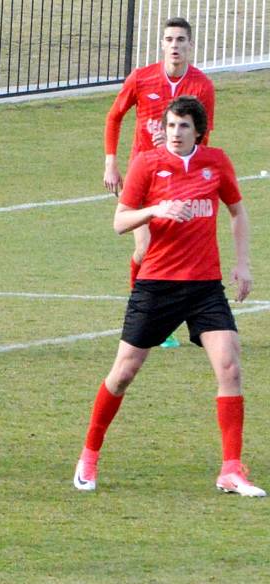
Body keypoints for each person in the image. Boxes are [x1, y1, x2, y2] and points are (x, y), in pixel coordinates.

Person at [74, 96, 264, 497]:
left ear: (199, 131)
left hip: (205, 286)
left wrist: (243, 264)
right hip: (157, 284)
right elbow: (119, 221)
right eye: (171, 125)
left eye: (183, 127)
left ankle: (231, 469)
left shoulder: (216, 163)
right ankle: (89, 456)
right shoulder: (147, 164)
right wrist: (155, 210)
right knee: (124, 372)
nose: (175, 133)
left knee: (230, 367)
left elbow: (238, 211)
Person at [104, 16, 215, 349]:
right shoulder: (142, 78)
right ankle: (146, 318)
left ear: (190, 45)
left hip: (181, 183)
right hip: (143, 178)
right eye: (170, 39)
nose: (175, 46)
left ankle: (198, 318)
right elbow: (114, 116)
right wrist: (111, 162)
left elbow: (205, 137)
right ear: (162, 44)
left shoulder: (202, 86)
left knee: (182, 251)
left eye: (181, 40)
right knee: (146, 248)